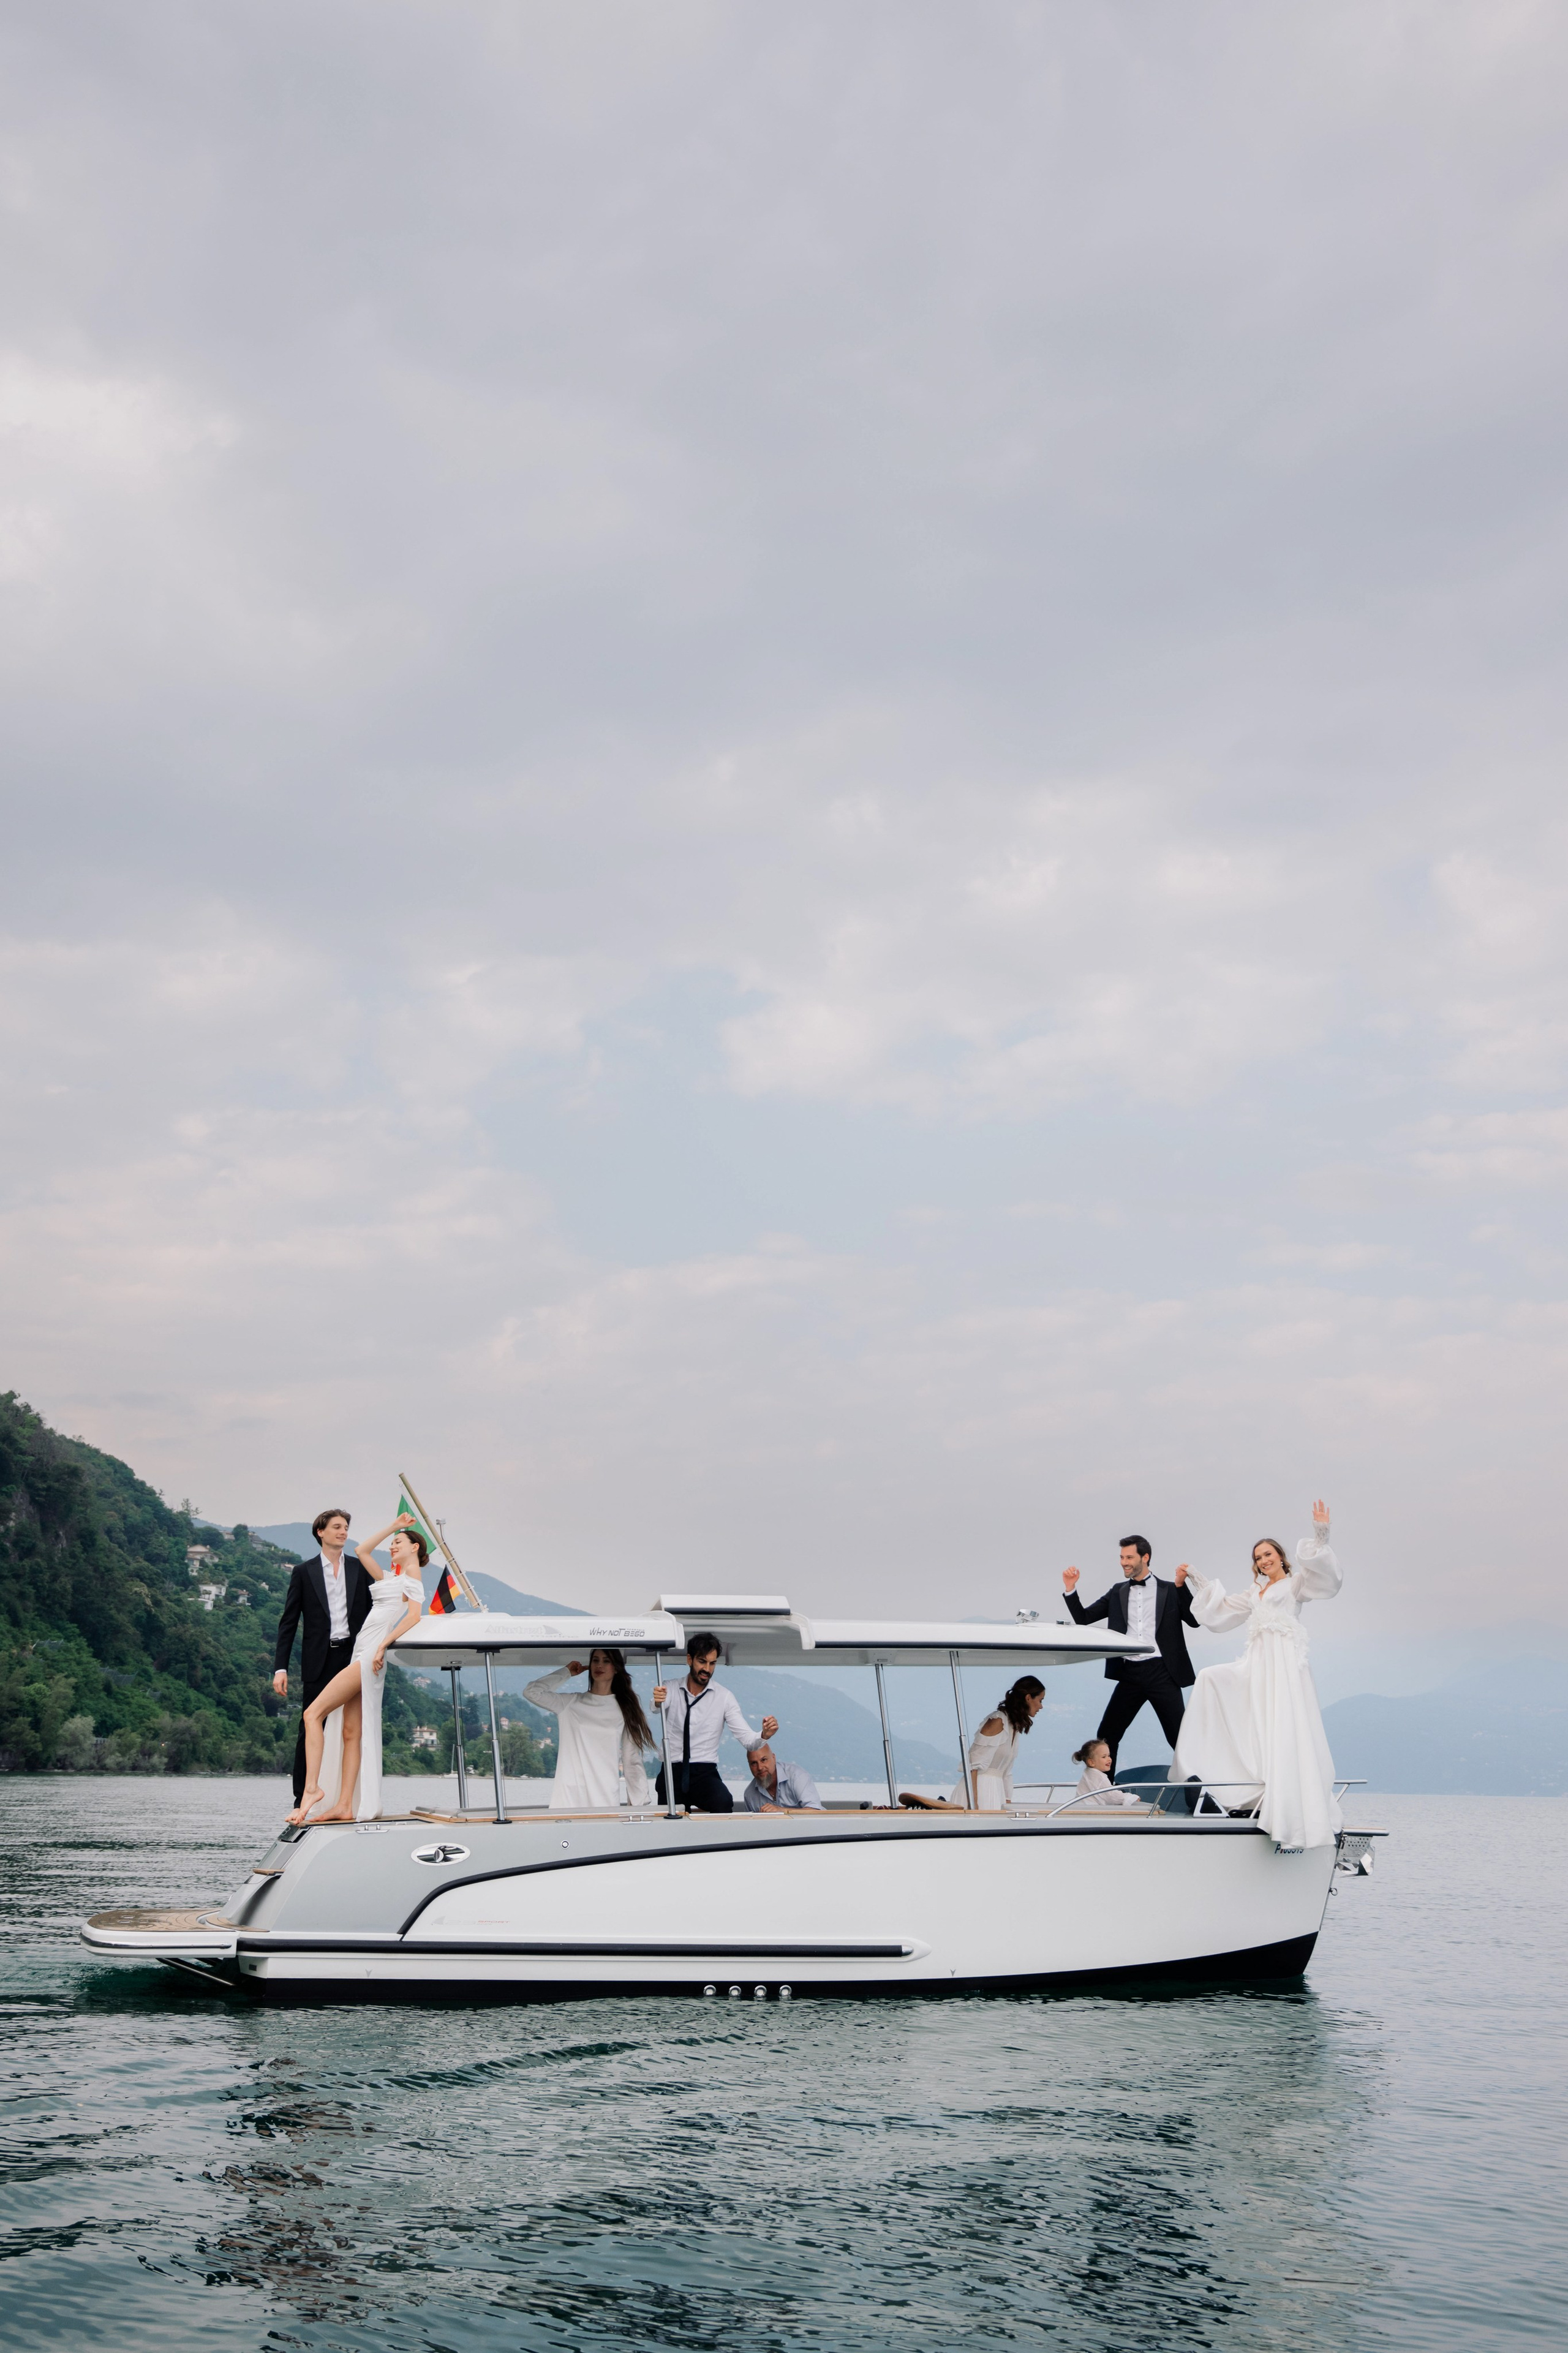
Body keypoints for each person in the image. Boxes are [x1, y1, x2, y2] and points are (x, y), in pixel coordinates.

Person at [1170, 1501, 1343, 1853]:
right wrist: (1195, 1577)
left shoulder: (1296, 1585)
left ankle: (1286, 1801)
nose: (1263, 1560)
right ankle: (1240, 1779)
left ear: (1281, 1557)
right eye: (1258, 1557)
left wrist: (1320, 1534)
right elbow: (1220, 1611)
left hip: (1283, 1665)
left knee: (1281, 1724)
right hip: (1256, 1662)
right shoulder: (1255, 1593)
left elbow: (1326, 1578)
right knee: (1210, 1678)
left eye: (1268, 1554)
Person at [287, 1513, 425, 1824]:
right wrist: (393, 1526)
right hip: (363, 1652)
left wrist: (383, 1646)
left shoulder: (413, 1579)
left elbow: (413, 1617)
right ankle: (345, 1805)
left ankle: (311, 1789)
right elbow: (363, 1550)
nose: (392, 1547)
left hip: (369, 1656)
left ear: (414, 1547)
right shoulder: (393, 1579)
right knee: (351, 1733)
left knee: (312, 1714)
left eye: (398, 1542)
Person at [1062, 1535, 1203, 1772]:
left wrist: (1181, 1586)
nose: (1124, 1562)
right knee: (1106, 1736)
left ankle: (1201, 1796)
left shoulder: (1169, 1590)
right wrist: (1070, 1588)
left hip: (1163, 1672)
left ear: (1145, 1558)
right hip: (1130, 1673)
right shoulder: (1117, 1592)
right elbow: (1084, 1619)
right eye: (1121, 1558)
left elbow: (1195, 1620)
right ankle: (1106, 1795)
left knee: (1180, 1739)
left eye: (1129, 1557)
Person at [272, 1508, 373, 1808]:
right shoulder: (304, 1572)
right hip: (319, 1659)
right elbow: (288, 1623)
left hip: (354, 1658)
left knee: (353, 1730)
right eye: (337, 1527)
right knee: (311, 1726)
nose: (343, 1532)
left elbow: (374, 1612)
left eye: (346, 1528)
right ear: (321, 1532)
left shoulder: (360, 1569)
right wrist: (281, 1667)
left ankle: (349, 1801)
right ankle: (301, 1798)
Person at [651, 1633, 778, 1813]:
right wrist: (657, 1700)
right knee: (669, 1820)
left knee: (723, 1802)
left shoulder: (724, 1697)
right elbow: (657, 1707)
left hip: (704, 1772)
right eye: (702, 1662)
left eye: (712, 1663)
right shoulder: (670, 1688)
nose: (707, 1669)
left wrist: (764, 1735)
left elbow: (748, 1739)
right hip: (672, 1772)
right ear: (690, 1660)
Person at [523, 1649, 655, 1810]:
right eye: (596, 1660)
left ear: (616, 1668)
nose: (599, 1665)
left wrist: (640, 1804)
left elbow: (631, 1759)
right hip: (569, 1796)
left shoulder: (624, 1708)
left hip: (604, 1795)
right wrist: (566, 1672)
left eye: (606, 1661)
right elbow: (532, 1692)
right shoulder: (570, 1703)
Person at [954, 1675, 1046, 1807]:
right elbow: (972, 1767)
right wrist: (973, 1806)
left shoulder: (1014, 1725)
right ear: (1029, 1698)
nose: (1041, 1706)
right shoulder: (998, 1721)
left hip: (996, 1792)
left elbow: (1006, 1772)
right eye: (1041, 1700)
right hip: (977, 1793)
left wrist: (1007, 1801)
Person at [742, 1740, 822, 1812]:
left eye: (764, 1760)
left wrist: (781, 1811)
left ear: (774, 1758)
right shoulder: (750, 1794)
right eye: (754, 1763)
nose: (760, 1767)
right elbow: (753, 1826)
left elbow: (816, 1811)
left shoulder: (797, 1776)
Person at [1071, 1737, 1139, 1808]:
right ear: (1092, 1762)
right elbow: (1110, 1795)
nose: (1109, 1759)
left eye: (1109, 1756)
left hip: (1081, 1808)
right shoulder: (1098, 1777)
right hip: (1089, 1811)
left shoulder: (1089, 1773)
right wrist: (1130, 1798)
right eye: (1104, 1757)